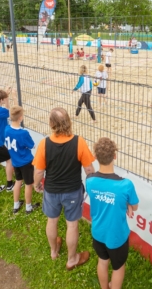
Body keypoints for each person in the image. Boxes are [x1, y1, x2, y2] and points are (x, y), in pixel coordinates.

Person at [32, 107, 95, 270]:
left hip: (52, 190)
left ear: (51, 123)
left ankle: (54, 252)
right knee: (72, 225)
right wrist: (93, 187)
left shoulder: (44, 143)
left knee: (51, 221)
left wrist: (36, 183)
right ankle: (72, 259)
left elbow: (39, 171)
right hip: (72, 191)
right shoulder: (78, 141)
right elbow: (89, 170)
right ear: (68, 121)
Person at [86, 137, 139, 289]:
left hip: (98, 232)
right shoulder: (125, 185)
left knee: (102, 261)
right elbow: (135, 207)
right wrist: (128, 205)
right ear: (115, 156)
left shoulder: (90, 180)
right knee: (118, 267)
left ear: (95, 157)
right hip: (117, 236)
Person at [5, 106, 40, 214]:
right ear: (20, 118)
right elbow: (32, 145)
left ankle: (16, 205)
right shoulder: (23, 133)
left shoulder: (6, 129)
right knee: (28, 184)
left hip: (15, 161)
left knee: (18, 181)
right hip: (25, 161)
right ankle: (28, 207)